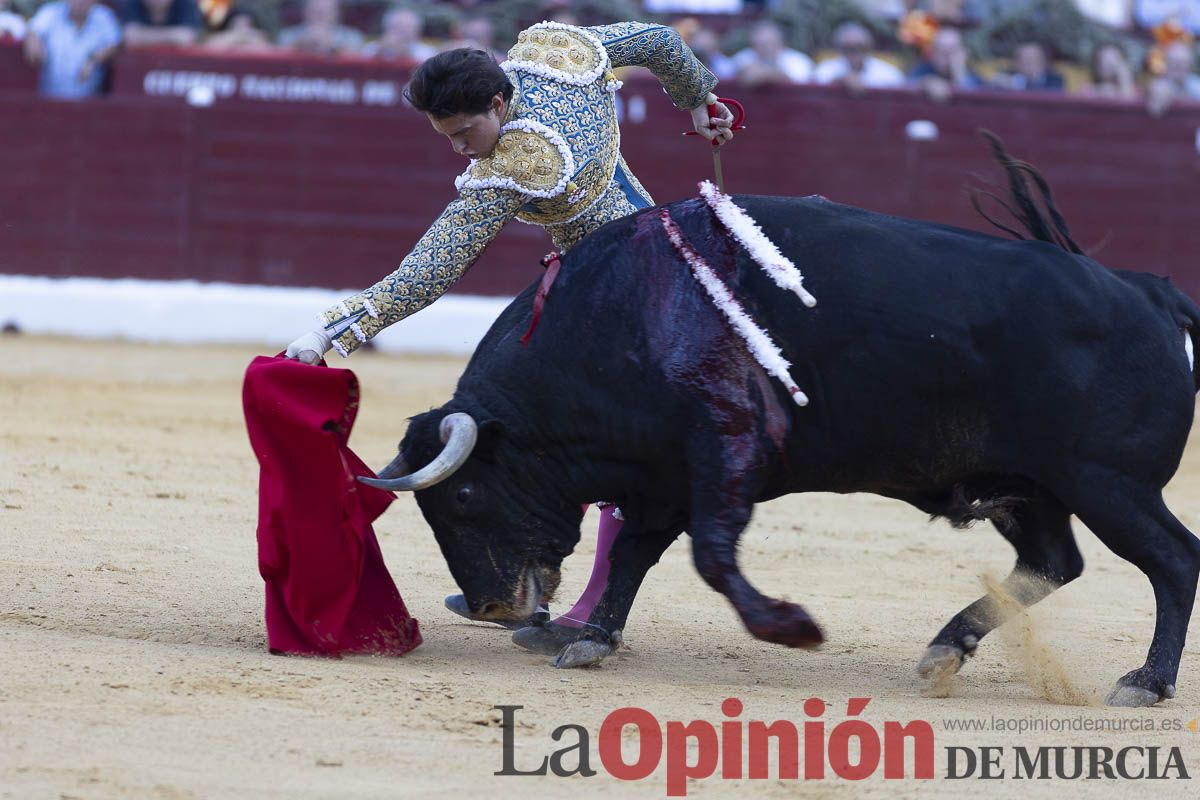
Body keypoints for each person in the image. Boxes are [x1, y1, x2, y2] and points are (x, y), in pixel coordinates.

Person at [284, 21, 735, 642]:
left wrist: (336, 329)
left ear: (497, 103)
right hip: (628, 265)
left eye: (465, 132)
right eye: (446, 136)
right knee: (547, 428)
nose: (460, 150)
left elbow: (433, 267)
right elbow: (657, 40)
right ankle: (527, 586)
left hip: (627, 299)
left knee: (598, 443)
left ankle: (590, 610)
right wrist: (699, 99)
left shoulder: (519, 160)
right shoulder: (558, 55)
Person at [23, 0, 121, 100]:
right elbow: (32, 31)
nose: (81, 2)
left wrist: (93, 59)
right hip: (50, 98)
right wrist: (33, 41)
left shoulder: (104, 16)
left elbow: (115, 43)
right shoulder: (51, 12)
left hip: (90, 101)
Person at [813, 21, 905, 91]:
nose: (855, 52)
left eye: (860, 47)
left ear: (869, 47)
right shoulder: (825, 70)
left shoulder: (889, 73)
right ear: (839, 48)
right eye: (849, 48)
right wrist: (839, 82)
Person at [729, 19, 813, 87]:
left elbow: (799, 86)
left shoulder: (799, 61)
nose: (766, 49)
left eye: (769, 43)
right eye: (760, 44)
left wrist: (768, 74)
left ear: (781, 43)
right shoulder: (743, 57)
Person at [908, 27, 982, 102]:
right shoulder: (923, 69)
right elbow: (907, 84)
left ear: (963, 53)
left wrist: (959, 74)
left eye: (952, 51)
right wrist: (926, 82)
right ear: (933, 54)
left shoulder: (973, 76)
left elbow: (976, 95)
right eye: (942, 51)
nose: (947, 56)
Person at [279, 0, 363, 57]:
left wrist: (331, 47)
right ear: (304, 11)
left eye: (325, 11)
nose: (320, 15)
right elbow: (280, 56)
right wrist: (301, 45)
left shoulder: (352, 37)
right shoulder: (288, 35)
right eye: (315, 10)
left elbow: (358, 58)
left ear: (337, 13)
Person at [362, 6, 434, 64]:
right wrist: (380, 51)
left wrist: (403, 53)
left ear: (417, 32)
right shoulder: (372, 48)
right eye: (398, 26)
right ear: (386, 29)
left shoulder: (427, 52)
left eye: (408, 27)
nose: (403, 31)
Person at [119, 0, 203, 49]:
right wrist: (172, 36)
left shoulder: (186, 3)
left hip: (178, 67)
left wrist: (144, 35)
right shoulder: (131, 2)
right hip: (139, 64)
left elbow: (187, 37)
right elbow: (130, 36)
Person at [1146, 40, 1200, 115]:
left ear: (1189, 64)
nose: (1179, 67)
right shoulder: (1159, 85)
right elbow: (1155, 111)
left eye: (1183, 63)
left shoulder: (1196, 83)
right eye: (1174, 62)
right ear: (1167, 63)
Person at [993, 41, 1065, 92]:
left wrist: (1016, 85)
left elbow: (1045, 96)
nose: (1029, 65)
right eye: (1025, 60)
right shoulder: (1006, 76)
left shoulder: (1055, 80)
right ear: (1016, 64)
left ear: (1043, 63)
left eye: (1034, 60)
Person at [203, 6, 272, 52]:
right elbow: (208, 47)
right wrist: (237, 36)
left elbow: (267, 50)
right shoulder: (220, 38)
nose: (242, 28)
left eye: (246, 25)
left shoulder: (257, 38)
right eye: (238, 24)